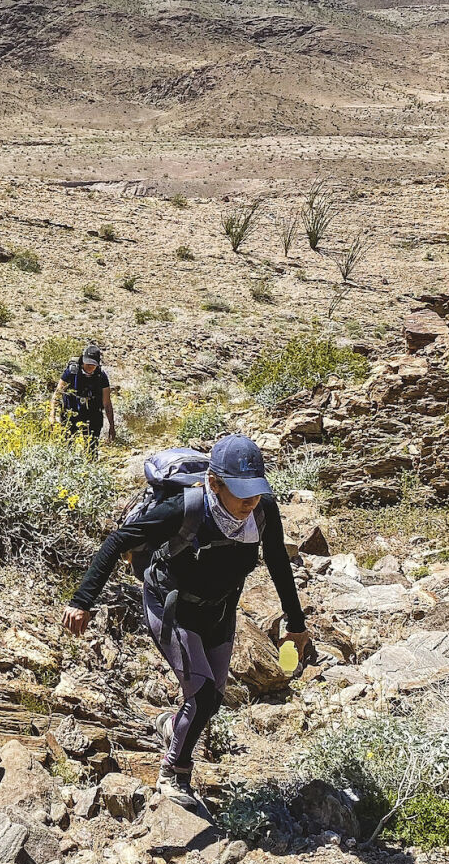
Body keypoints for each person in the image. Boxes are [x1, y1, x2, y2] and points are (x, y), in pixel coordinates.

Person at [62, 433, 312, 809]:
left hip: (220, 611)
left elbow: (278, 562)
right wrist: (83, 601)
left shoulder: (262, 511)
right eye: (241, 491)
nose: (250, 500)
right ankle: (173, 774)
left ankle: (170, 726)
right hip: (171, 607)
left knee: (209, 702)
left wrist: (296, 623)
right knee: (204, 693)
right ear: (214, 482)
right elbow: (116, 542)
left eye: (256, 490)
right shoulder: (185, 508)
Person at [50, 343, 116, 452]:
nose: (89, 367)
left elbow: (107, 403)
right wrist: (52, 416)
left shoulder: (101, 376)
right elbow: (57, 394)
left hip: (92, 414)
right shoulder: (71, 372)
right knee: (67, 446)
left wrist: (112, 426)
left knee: (92, 448)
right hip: (71, 412)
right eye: (87, 363)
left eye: (93, 364)